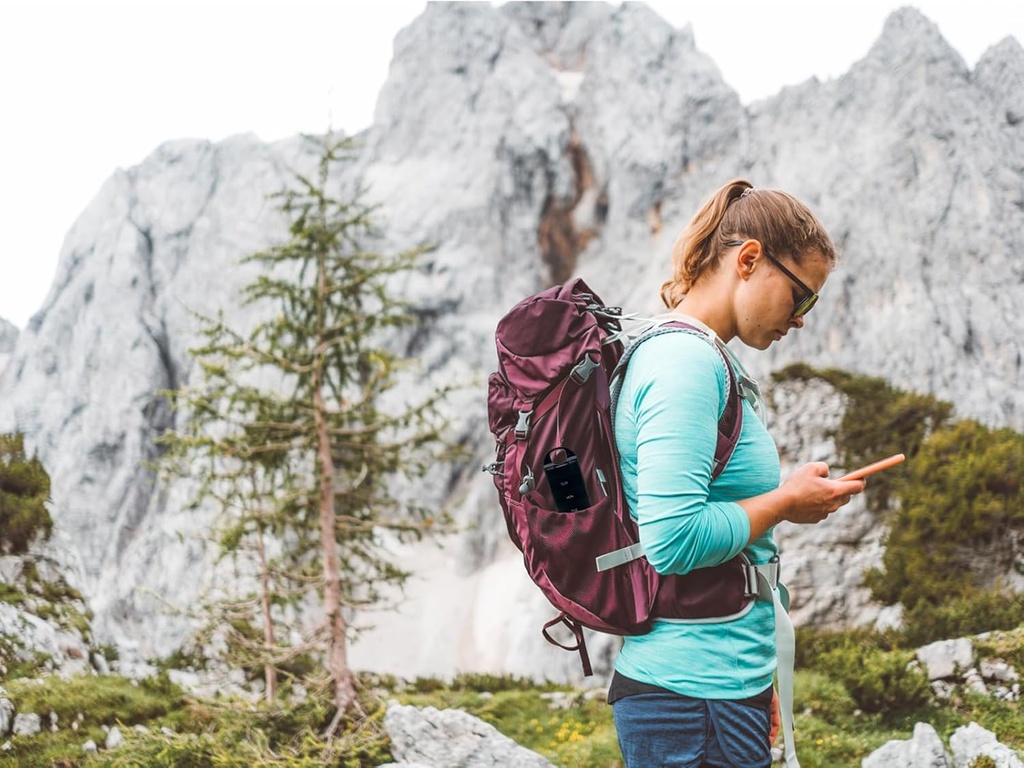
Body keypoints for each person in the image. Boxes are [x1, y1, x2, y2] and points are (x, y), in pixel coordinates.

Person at [609, 179, 866, 767]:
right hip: (690, 702)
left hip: (718, 691)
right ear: (749, 260)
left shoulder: (699, 357)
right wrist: (785, 502)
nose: (800, 319)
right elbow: (672, 541)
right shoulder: (684, 363)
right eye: (801, 296)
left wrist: (755, 677)